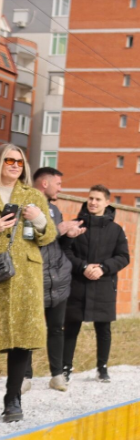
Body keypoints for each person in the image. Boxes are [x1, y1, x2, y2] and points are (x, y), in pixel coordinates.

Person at [0, 145, 57, 422]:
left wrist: (39, 220)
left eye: (19, 162)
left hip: (25, 275)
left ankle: (13, 399)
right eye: (8, 160)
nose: (14, 165)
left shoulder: (33, 196)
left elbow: (48, 237)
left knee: (21, 337)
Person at [20, 168, 84, 394]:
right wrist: (58, 230)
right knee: (29, 330)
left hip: (58, 281)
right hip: (34, 280)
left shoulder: (55, 210)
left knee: (57, 329)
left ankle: (57, 375)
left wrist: (69, 235)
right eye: (58, 183)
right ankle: (24, 377)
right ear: (44, 184)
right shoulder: (27, 208)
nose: (61, 188)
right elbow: (27, 241)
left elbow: (57, 246)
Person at [63, 185, 130, 384]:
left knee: (103, 329)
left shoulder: (116, 230)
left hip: (103, 285)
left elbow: (123, 257)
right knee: (71, 327)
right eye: (91, 198)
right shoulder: (75, 225)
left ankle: (102, 368)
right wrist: (82, 267)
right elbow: (65, 251)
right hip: (77, 284)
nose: (93, 202)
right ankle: (66, 368)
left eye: (98, 199)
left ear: (107, 203)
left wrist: (103, 268)